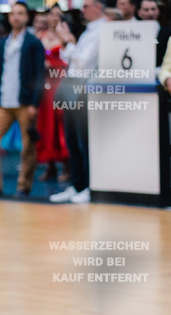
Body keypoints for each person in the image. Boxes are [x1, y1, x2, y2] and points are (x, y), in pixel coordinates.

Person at [0, 2, 45, 198]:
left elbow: (39, 76)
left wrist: (35, 103)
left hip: (25, 103)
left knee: (27, 148)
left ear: (27, 17)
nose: (16, 17)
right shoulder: (2, 43)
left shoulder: (33, 43)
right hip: (4, 102)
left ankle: (23, 187)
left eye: (20, 13)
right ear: (9, 18)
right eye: (13, 14)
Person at [50, 0, 106, 204]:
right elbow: (70, 58)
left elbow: (83, 63)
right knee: (72, 139)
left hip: (84, 88)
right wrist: (67, 43)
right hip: (72, 86)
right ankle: (77, 184)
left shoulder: (102, 30)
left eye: (86, 6)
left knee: (84, 140)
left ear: (98, 7)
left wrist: (68, 41)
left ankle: (90, 186)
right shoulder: (89, 30)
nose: (82, 10)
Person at [34, 7, 70, 183]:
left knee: (61, 124)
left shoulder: (66, 37)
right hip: (45, 87)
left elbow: (73, 60)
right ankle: (50, 166)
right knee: (46, 124)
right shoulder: (39, 37)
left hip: (61, 83)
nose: (54, 18)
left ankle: (67, 166)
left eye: (58, 15)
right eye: (51, 14)